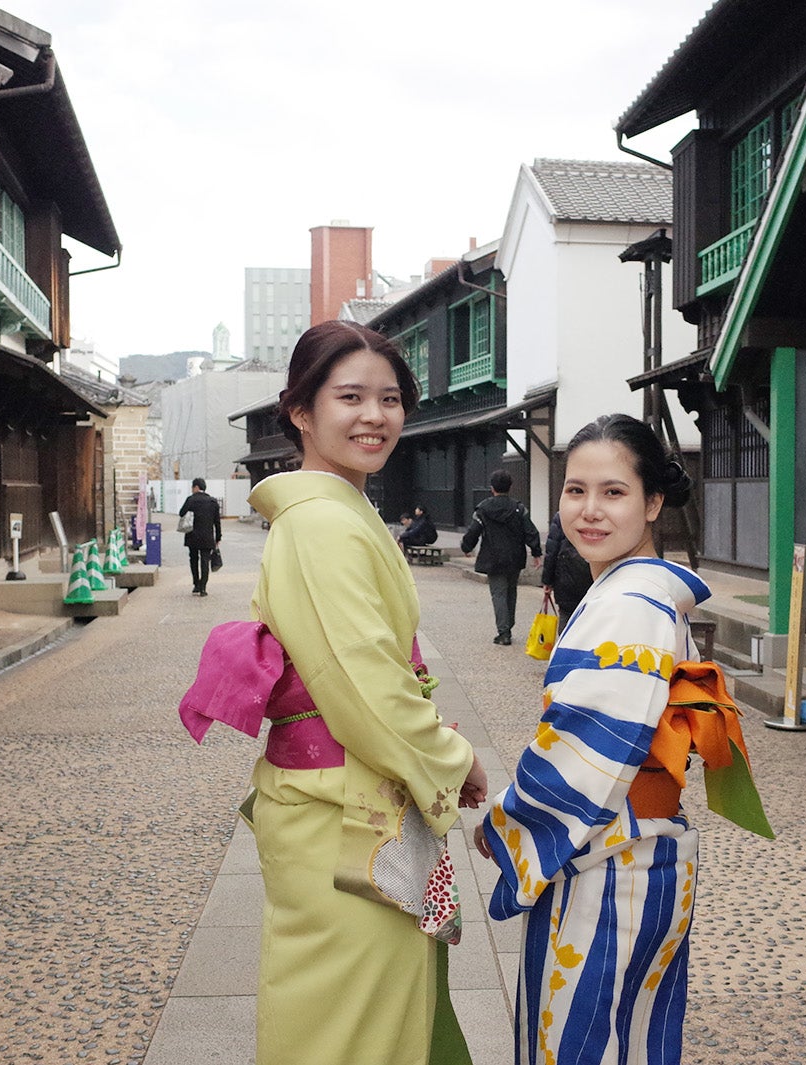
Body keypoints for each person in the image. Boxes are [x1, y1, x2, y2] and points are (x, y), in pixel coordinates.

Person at [246, 320, 488, 1065]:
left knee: (363, 1017)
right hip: (342, 808)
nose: (374, 416)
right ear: (301, 410)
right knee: (349, 1027)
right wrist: (454, 757)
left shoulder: (336, 513)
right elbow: (366, 684)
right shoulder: (323, 522)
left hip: (343, 795)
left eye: (390, 398)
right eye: (349, 396)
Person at [474, 414, 717, 1065]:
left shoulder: (627, 604)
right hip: (649, 848)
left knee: (575, 1045)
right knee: (636, 1038)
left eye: (613, 492)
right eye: (575, 490)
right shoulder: (646, 593)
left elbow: (585, 748)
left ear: (653, 501)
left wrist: (507, 823)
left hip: (609, 857)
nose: (589, 510)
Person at [460, 470, 541, 645]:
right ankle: (508, 626)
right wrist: (536, 552)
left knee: (498, 593)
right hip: (515, 556)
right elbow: (530, 531)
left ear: (492, 488)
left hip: (492, 558)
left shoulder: (483, 509)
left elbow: (473, 530)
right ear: (510, 487)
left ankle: (503, 632)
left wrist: (466, 547)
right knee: (511, 591)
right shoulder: (519, 509)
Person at [540, 511, 592, 621]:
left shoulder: (562, 516)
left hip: (566, 579)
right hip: (593, 580)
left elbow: (552, 551)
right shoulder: (601, 516)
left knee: (566, 617)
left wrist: (547, 581)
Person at [178, 477, 221, 596]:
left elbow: (181, 513)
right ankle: (203, 587)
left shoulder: (191, 500)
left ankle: (196, 584)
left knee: (193, 559)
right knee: (205, 561)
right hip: (207, 537)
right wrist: (218, 537)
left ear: (196, 487)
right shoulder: (212, 501)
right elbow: (217, 522)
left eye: (192, 488)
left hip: (192, 536)